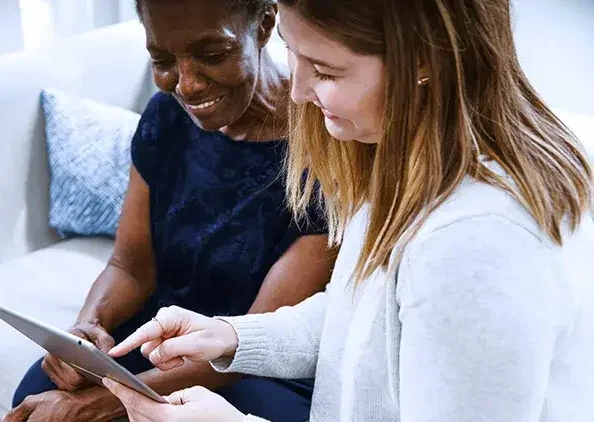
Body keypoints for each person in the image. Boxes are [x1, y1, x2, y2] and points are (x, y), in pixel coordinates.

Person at [103, 0, 594, 421]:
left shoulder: (477, 245)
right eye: (294, 56)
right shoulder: (399, 154)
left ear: (423, 59)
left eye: (325, 70)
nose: (296, 91)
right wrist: (230, 335)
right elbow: (359, 321)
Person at [0, 0, 338, 421]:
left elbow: (260, 337)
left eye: (212, 55)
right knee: (35, 392)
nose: (188, 85)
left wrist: (101, 405)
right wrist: (87, 330)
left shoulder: (325, 145)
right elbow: (130, 266)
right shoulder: (166, 116)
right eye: (162, 60)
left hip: (256, 365)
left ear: (266, 24)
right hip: (160, 329)